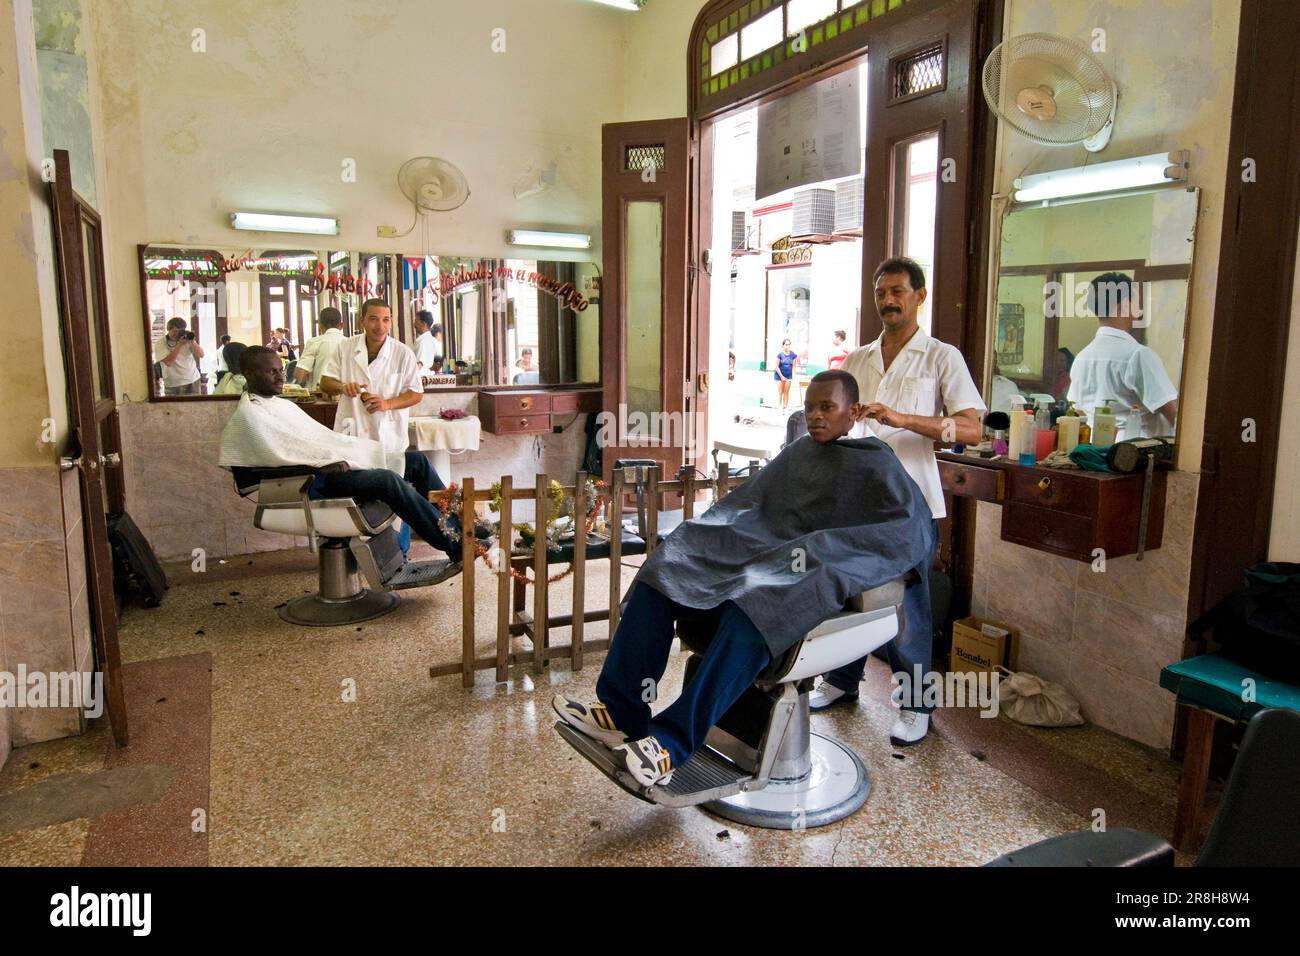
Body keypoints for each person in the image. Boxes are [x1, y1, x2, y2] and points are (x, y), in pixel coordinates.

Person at [553, 370, 933, 786]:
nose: (817, 417)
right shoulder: (799, 453)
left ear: (854, 412)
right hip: (767, 554)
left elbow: (907, 530)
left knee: (755, 603)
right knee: (666, 569)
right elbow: (751, 506)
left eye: (828, 407)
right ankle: (622, 711)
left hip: (810, 570)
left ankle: (671, 744)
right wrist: (711, 539)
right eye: (810, 408)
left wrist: (823, 550)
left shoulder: (876, 462)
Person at [812, 256, 985, 746]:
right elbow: (835, 418)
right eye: (881, 293)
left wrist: (903, 418)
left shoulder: (940, 357)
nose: (888, 301)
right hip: (858, 502)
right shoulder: (857, 360)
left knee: (909, 605)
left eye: (898, 292)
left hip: (911, 505)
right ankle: (842, 683)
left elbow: (968, 428)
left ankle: (915, 706)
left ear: (919, 296)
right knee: (847, 594)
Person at [218, 347, 462, 571]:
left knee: (416, 461)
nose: (281, 377)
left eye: (281, 370)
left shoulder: (280, 405)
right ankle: (453, 544)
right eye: (272, 371)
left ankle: (462, 529)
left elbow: (311, 442)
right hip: (315, 482)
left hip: (331, 469)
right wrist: (332, 460)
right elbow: (279, 458)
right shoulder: (249, 415)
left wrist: (342, 453)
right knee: (387, 480)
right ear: (249, 373)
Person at [1066, 273, 1178, 440]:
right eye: (1136, 303)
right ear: (1124, 306)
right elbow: (1172, 412)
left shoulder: (1082, 358)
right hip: (1135, 453)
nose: (1138, 311)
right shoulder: (1138, 355)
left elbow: (1079, 409)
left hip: (1095, 450)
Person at [319, 298, 423, 452]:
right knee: (353, 475)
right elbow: (325, 382)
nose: (380, 326)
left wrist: (387, 404)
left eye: (385, 320)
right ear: (362, 321)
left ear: (391, 322)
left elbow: (416, 393)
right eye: (373, 319)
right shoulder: (345, 347)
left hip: (388, 438)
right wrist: (343, 387)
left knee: (388, 476)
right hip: (352, 434)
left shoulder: (403, 354)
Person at [294, 307, 346, 389]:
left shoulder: (315, 342)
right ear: (342, 325)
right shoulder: (350, 343)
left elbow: (299, 374)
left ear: (320, 325)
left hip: (320, 395)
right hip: (345, 395)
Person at [153, 317, 204, 396]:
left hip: (193, 380)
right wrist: (179, 345)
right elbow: (168, 362)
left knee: (194, 407)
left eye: (180, 331)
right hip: (173, 384)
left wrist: (192, 341)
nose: (177, 334)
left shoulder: (186, 339)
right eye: (175, 331)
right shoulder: (161, 343)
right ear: (168, 329)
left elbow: (201, 355)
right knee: (174, 408)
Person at [773, 338, 797, 408]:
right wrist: (781, 377)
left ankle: (785, 408)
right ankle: (779, 408)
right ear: (783, 345)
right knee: (780, 392)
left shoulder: (793, 355)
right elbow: (776, 367)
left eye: (789, 344)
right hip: (779, 375)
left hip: (788, 375)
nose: (788, 346)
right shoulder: (779, 355)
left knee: (786, 392)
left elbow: (794, 367)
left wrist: (793, 377)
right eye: (786, 344)